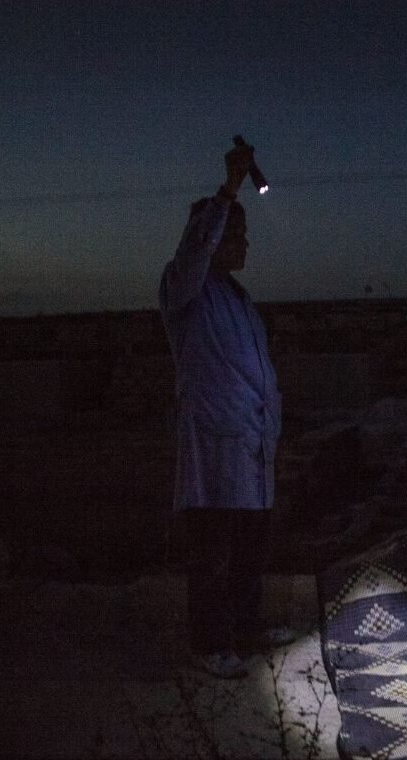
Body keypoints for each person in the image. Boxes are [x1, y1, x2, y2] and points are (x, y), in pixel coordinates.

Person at [159, 143, 282, 679]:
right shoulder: (184, 289)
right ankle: (210, 645)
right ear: (212, 240)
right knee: (211, 555)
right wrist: (229, 188)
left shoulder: (238, 298)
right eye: (237, 235)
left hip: (251, 447)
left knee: (249, 554)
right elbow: (192, 250)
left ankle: (245, 631)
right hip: (214, 448)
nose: (246, 245)